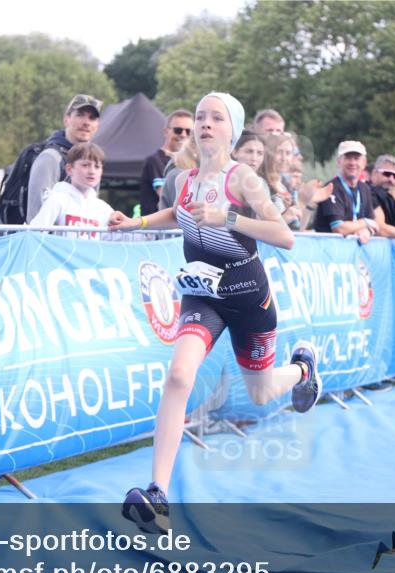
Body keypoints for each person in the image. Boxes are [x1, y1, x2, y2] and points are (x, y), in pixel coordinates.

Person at [109, 92, 323, 533]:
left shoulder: (244, 179)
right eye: (200, 116)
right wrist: (138, 223)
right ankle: (159, 495)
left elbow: (284, 236)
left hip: (248, 298)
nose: (205, 124)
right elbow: (178, 211)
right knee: (179, 376)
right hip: (202, 294)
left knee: (261, 392)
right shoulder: (184, 180)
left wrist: (227, 219)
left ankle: (303, 371)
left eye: (216, 118)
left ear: (231, 129)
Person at [26, 94, 102, 223]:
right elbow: (35, 219)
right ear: (66, 120)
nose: (86, 122)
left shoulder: (92, 163)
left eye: (92, 118)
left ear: (97, 125)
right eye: (80, 115)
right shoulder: (51, 158)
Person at [29, 142, 114, 239]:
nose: (92, 171)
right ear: (69, 169)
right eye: (85, 165)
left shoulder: (104, 209)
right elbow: (35, 234)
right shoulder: (57, 200)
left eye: (97, 167)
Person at [311, 141, 377, 244]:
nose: (352, 163)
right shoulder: (332, 187)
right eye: (348, 158)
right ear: (338, 161)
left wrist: (365, 229)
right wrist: (366, 223)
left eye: (356, 158)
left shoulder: (365, 188)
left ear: (364, 163)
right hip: (327, 252)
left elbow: (374, 225)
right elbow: (339, 228)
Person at [140, 109, 194, 216]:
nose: (183, 135)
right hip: (158, 229)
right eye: (178, 130)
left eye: (189, 131)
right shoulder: (155, 160)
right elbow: (168, 196)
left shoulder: (193, 161)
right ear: (166, 132)